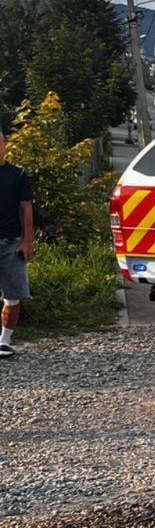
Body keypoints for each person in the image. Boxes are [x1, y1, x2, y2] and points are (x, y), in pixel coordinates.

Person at [0, 128, 35, 359]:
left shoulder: (18, 174)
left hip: (11, 243)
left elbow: (26, 208)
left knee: (13, 296)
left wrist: (28, 241)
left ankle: (4, 341)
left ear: (4, 145)